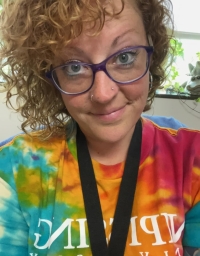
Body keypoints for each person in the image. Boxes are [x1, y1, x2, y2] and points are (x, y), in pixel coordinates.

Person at [0, 0, 199, 255]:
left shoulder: (192, 160)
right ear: (49, 76)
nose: (103, 94)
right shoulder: (14, 171)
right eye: (74, 67)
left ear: (152, 50)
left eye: (124, 57)